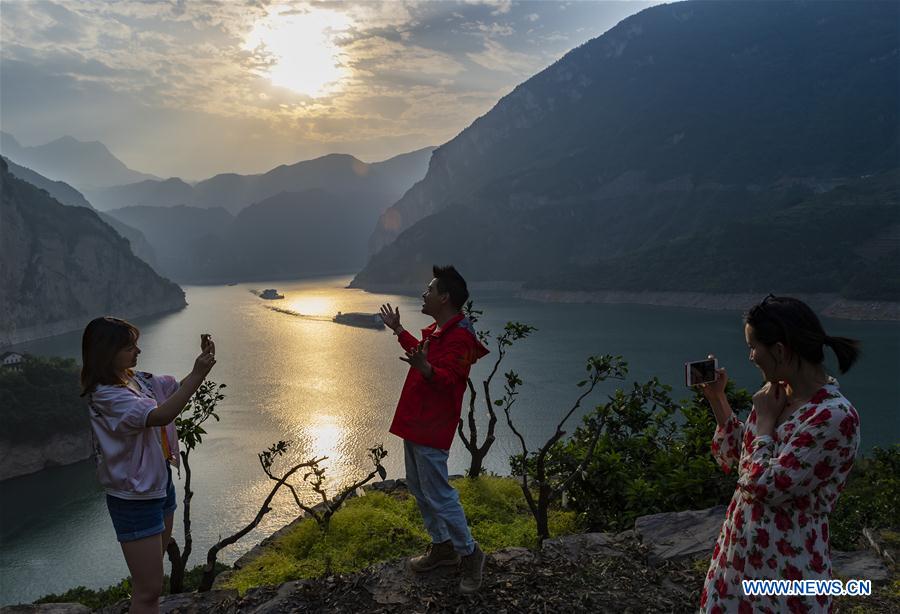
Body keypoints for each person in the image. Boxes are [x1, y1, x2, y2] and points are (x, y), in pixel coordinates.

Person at [698, 295, 861, 614]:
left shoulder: (834, 418)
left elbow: (764, 487)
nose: (750, 356)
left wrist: (766, 423)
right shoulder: (776, 398)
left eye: (753, 346)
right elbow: (734, 460)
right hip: (736, 561)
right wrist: (718, 400)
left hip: (785, 571)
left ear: (780, 350)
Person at [81, 317, 216, 614]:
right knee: (148, 590)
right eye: (130, 347)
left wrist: (199, 368)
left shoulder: (133, 379)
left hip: (157, 485)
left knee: (152, 585)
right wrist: (198, 373)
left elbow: (170, 395)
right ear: (106, 352)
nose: (138, 351)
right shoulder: (108, 396)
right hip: (133, 498)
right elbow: (161, 415)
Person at [379, 265, 490, 594]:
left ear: (444, 297)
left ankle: (470, 554)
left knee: (440, 495)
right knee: (418, 487)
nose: (423, 294)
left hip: (431, 426)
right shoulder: (441, 332)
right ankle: (442, 547)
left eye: (429, 290)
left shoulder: (461, 338)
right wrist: (399, 330)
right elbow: (424, 359)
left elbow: (450, 380)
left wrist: (425, 367)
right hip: (418, 422)